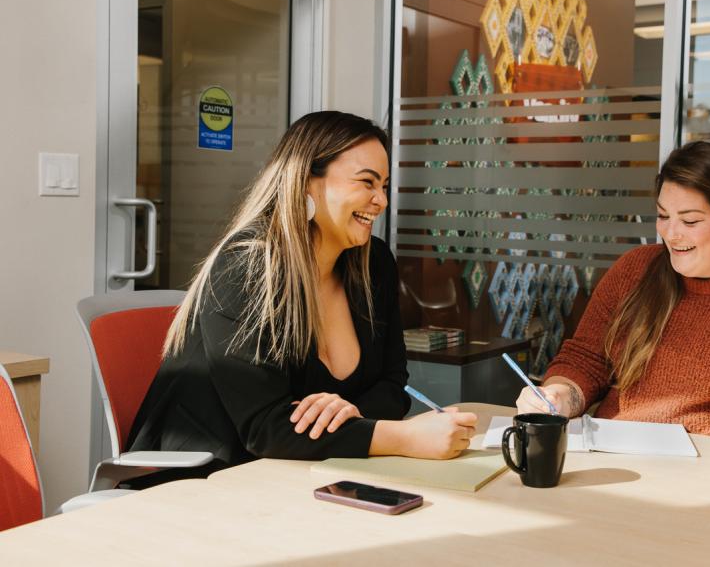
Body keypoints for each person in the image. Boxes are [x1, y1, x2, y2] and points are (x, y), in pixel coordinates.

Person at [128, 111, 476, 482]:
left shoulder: (374, 264)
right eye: (367, 183)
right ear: (307, 183)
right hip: (201, 483)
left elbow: (393, 385)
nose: (381, 200)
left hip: (303, 476)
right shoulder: (246, 267)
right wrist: (404, 437)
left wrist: (347, 413)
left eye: (385, 186)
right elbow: (266, 428)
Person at [516, 141, 710, 449]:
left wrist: (697, 468)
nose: (671, 233)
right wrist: (560, 395)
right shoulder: (635, 269)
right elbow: (586, 360)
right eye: (663, 216)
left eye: (690, 220)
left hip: (704, 481)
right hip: (606, 454)